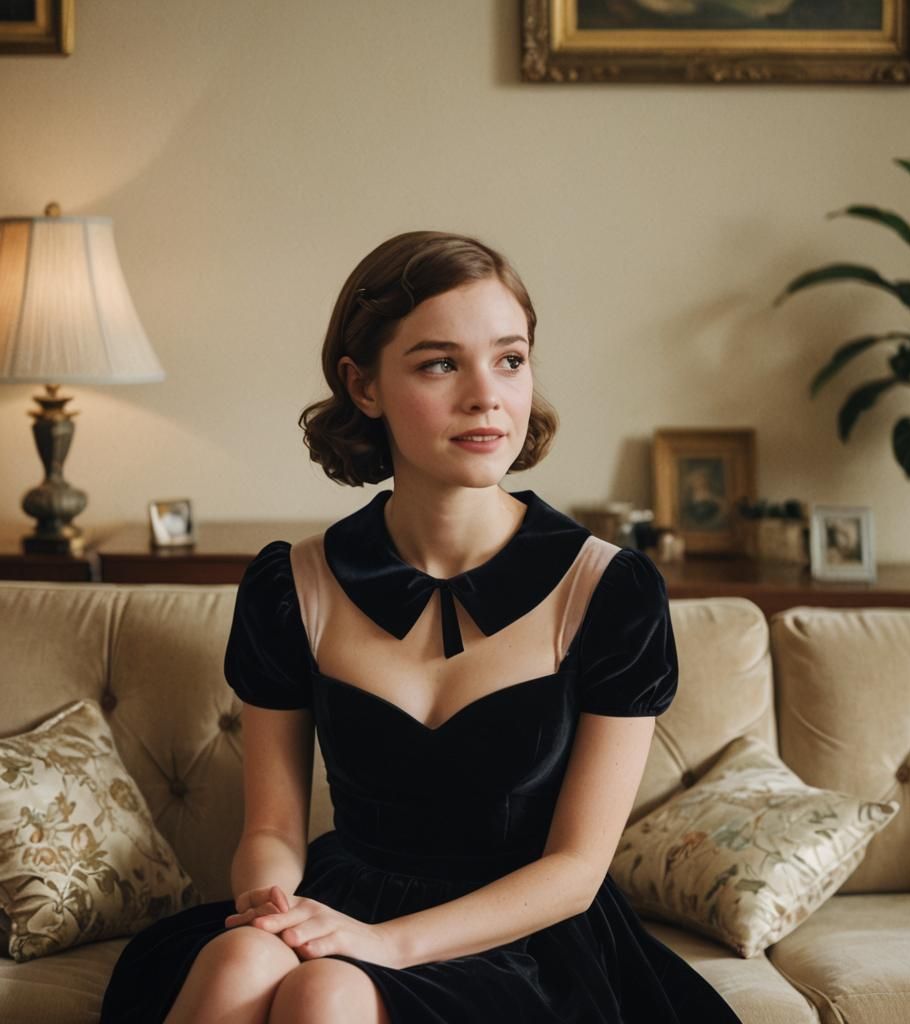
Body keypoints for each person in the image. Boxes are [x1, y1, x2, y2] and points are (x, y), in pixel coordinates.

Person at [100, 230, 743, 1023]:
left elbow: (575, 869)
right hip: (344, 894)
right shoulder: (290, 584)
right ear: (362, 385)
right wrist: (271, 901)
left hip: (524, 941)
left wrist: (384, 945)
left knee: (326, 991)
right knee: (238, 958)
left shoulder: (610, 590)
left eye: (509, 359)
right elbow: (271, 827)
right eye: (441, 363)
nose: (487, 395)